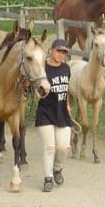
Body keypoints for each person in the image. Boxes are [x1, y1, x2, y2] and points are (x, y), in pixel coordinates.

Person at [35, 38, 73, 192]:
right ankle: (48, 178)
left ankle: (57, 168)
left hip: (62, 112)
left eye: (64, 52)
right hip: (46, 111)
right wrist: (43, 92)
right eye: (58, 50)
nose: (61, 54)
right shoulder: (42, 69)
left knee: (64, 148)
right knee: (50, 146)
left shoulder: (66, 68)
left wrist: (68, 103)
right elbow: (37, 93)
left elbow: (67, 88)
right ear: (50, 50)